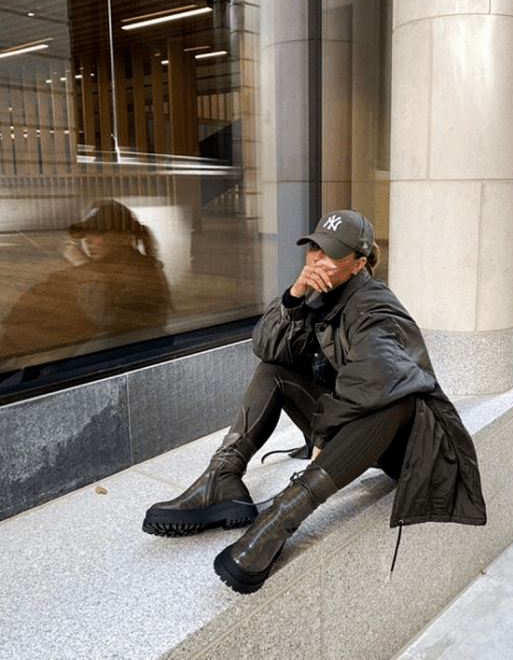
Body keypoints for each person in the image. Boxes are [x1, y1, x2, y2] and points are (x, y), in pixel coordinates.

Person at [142, 210, 486, 594]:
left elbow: (377, 378)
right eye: (314, 248)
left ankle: (281, 517)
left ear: (359, 263)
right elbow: (267, 347)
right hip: (352, 428)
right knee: (274, 371)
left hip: (404, 445)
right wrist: (294, 297)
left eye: (332, 253)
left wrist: (323, 432)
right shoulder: (320, 298)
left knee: (396, 399)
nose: (318, 260)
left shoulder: (375, 305)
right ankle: (221, 479)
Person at [0, 199, 171, 361]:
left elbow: (110, 319)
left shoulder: (143, 273)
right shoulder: (101, 269)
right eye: (86, 232)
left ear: (123, 237)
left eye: (98, 232)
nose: (88, 240)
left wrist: (82, 266)